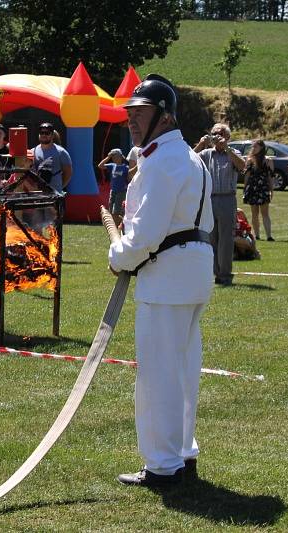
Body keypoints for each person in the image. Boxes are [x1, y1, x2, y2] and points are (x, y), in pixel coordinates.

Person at [109, 74, 214, 487]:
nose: (133, 120)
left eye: (142, 113)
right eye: (130, 113)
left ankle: (163, 465)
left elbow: (145, 235)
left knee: (158, 375)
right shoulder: (183, 156)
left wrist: (119, 256)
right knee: (183, 370)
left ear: (165, 117)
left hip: (168, 273)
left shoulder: (165, 161)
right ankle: (181, 454)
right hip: (189, 271)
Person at [194, 123, 246, 286]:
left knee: (226, 238)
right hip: (209, 199)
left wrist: (227, 148)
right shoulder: (206, 153)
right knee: (211, 238)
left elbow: (242, 165)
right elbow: (187, 159)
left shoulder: (233, 152)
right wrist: (201, 144)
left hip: (227, 198)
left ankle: (225, 274)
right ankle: (215, 272)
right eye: (214, 133)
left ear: (228, 137)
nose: (217, 136)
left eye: (221, 133)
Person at [241, 139, 274, 241]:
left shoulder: (268, 160)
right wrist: (245, 188)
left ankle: (269, 236)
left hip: (263, 188)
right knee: (254, 213)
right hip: (252, 188)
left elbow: (270, 177)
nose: (253, 148)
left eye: (255, 146)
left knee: (265, 213)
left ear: (261, 147)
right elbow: (247, 176)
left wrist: (271, 190)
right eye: (252, 146)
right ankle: (257, 235)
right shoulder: (249, 159)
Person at [33, 122, 72, 192]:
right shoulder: (33, 151)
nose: (44, 135)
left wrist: (59, 188)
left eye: (47, 133)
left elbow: (68, 173)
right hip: (37, 196)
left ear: (52, 135)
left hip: (54, 197)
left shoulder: (61, 152)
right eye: (41, 133)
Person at [97, 148, 130, 226]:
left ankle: (119, 226)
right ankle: (116, 225)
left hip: (121, 191)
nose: (114, 158)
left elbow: (129, 178)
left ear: (121, 157)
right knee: (111, 210)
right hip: (113, 191)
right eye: (113, 157)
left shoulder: (125, 167)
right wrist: (108, 157)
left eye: (116, 156)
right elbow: (100, 165)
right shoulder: (112, 166)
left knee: (117, 211)